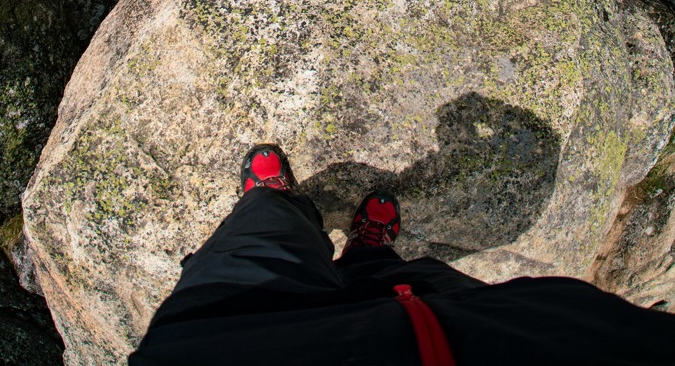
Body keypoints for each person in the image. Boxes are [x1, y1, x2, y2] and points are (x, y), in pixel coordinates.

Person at [130, 143, 674, 365]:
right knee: (406, 281)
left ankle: (276, 208)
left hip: (234, 345)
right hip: (475, 334)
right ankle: (368, 254)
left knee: (254, 252)